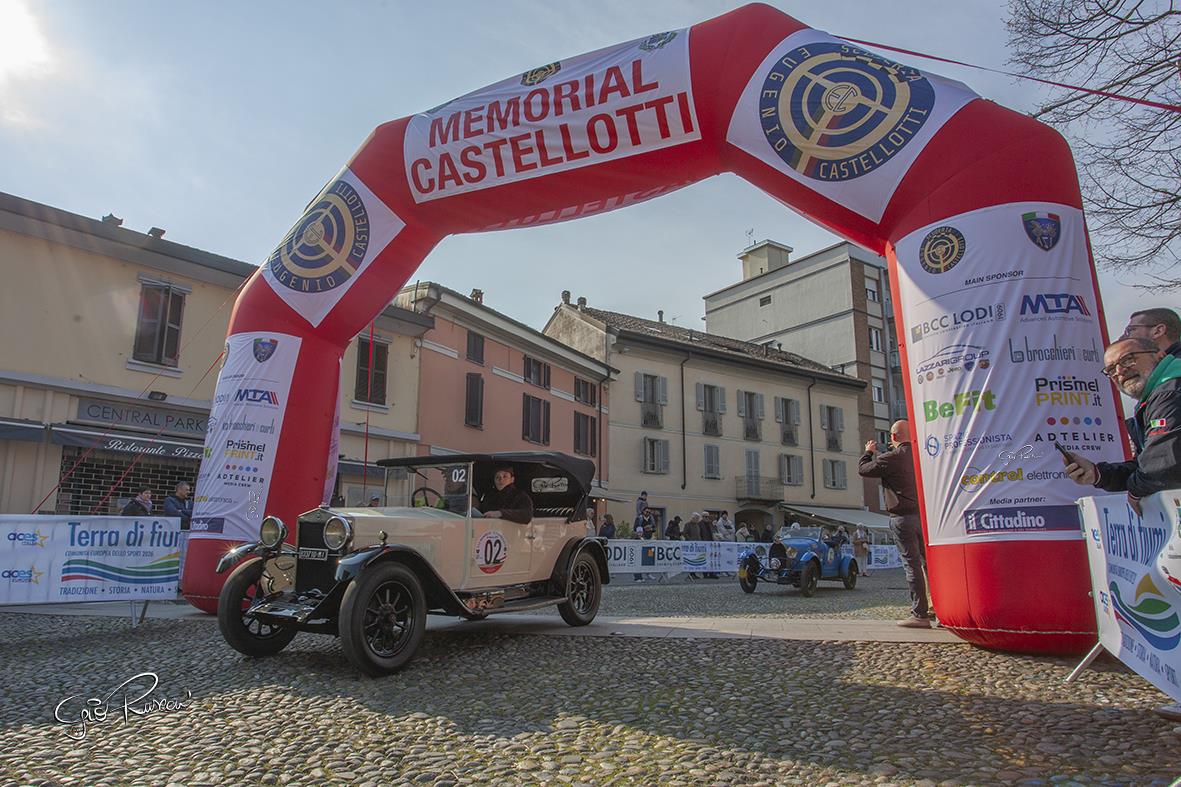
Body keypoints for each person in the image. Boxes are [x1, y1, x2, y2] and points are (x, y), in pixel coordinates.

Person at [1064, 337, 1181, 516]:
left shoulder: (1170, 392)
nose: (1120, 371)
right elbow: (1147, 465)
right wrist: (1098, 474)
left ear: (1159, 355)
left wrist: (1135, 490)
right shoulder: (1156, 396)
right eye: (1111, 369)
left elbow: (1162, 465)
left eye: (1127, 359)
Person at [858, 420, 931, 628]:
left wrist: (869, 452)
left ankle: (920, 614)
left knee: (912, 565)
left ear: (893, 437)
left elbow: (864, 469)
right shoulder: (922, 455)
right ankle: (939, 608)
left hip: (902, 518)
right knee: (929, 565)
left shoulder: (891, 458)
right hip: (924, 516)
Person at [1120, 309, 1181, 454]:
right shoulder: (1159, 376)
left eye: (1130, 330)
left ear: (1158, 331)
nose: (1122, 338)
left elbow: (1163, 458)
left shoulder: (1172, 381)